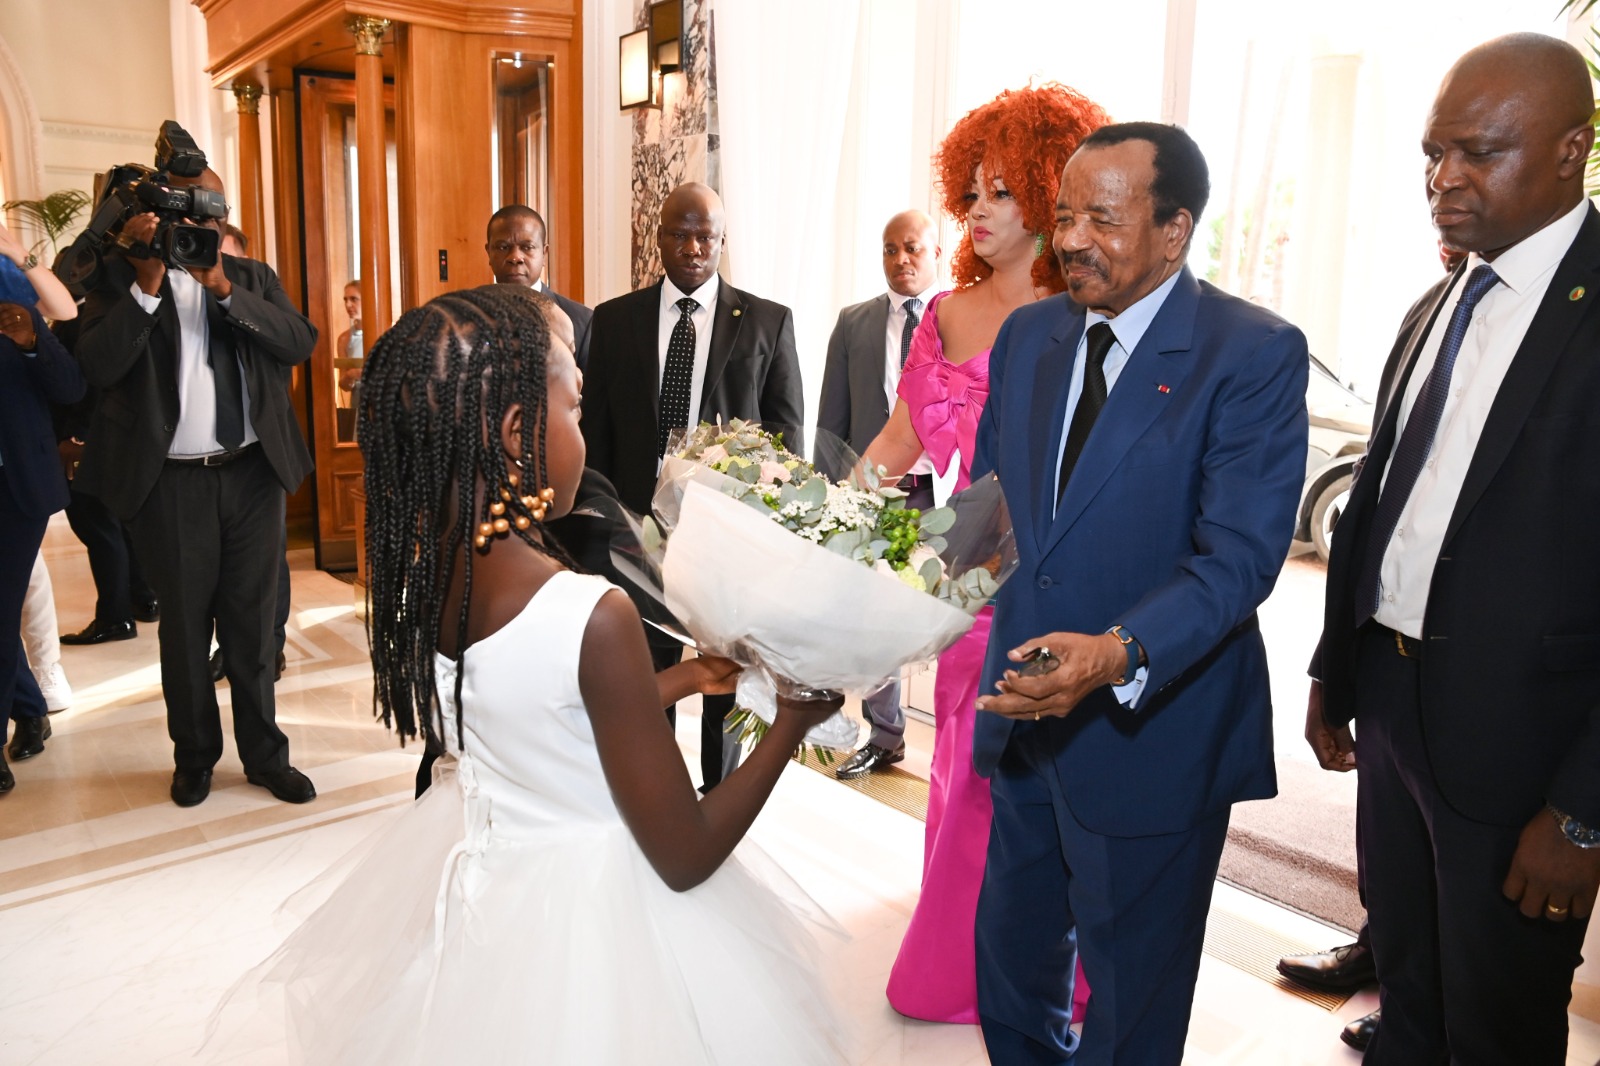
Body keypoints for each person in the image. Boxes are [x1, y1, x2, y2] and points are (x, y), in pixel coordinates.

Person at [206, 285, 846, 1063]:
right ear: (517, 432)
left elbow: (531, 708)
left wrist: (683, 679)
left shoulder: (427, 579)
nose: (586, 429)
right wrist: (792, 721)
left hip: (496, 895)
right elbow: (685, 855)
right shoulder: (591, 613)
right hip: (600, 917)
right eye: (575, 408)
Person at [969, 122, 1308, 1062]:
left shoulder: (1250, 354)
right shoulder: (1030, 334)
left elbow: (1239, 558)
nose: (1073, 238)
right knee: (1008, 970)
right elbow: (993, 512)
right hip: (1024, 714)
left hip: (1151, 726)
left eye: (1103, 219)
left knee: (1132, 1009)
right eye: (1064, 214)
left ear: (1175, 230)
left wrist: (1117, 651)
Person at [1307, 34, 1600, 1065]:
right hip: (1389, 714)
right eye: (1433, 153)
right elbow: (1384, 508)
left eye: (1479, 152)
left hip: (1527, 760)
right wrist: (1333, 674)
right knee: (1411, 994)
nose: (1444, 179)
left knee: (1498, 1027)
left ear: (1572, 148)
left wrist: (1582, 813)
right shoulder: (1435, 303)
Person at [858, 84, 1108, 1024]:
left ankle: (1057, 973)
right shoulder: (947, 312)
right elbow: (898, 441)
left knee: (1050, 786)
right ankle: (959, 958)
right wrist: (813, 514)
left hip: (1064, 580)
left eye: (1002, 189)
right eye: (970, 189)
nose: (977, 208)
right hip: (968, 574)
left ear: (1051, 193)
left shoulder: (1088, 313)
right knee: (963, 773)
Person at [74, 162, 317, 809]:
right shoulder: (121, 279)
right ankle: (195, 758)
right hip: (172, 486)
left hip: (250, 477)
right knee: (183, 631)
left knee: (254, 625)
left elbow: (298, 342)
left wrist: (222, 288)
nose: (192, 229)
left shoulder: (249, 277)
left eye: (202, 216)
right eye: (177, 218)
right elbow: (96, 366)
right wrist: (148, 288)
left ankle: (266, 756)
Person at [581, 181, 805, 791]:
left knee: (721, 675)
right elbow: (594, 434)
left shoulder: (767, 321)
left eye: (705, 235)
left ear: (722, 240)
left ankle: (718, 793)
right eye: (679, 233)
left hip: (725, 535)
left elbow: (788, 436)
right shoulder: (614, 320)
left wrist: (778, 531)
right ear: (659, 239)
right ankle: (648, 789)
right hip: (637, 532)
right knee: (642, 668)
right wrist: (599, 524)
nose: (692, 246)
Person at [817, 209, 943, 781]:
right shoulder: (854, 323)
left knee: (946, 616)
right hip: (872, 492)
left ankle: (960, 742)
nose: (901, 260)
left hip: (941, 492)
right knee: (874, 616)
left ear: (935, 253)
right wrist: (827, 502)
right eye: (890, 250)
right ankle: (886, 734)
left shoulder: (959, 319)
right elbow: (832, 417)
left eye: (913, 248)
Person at [0, 221, 84, 795]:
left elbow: (65, 316)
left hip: (15, 481)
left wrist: (16, 251)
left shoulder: (10, 284)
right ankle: (29, 705)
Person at [486, 204, 592, 368]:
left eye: (527, 247)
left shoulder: (582, 321)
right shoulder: (464, 317)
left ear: (544, 253)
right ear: (489, 253)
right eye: (503, 247)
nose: (515, 257)